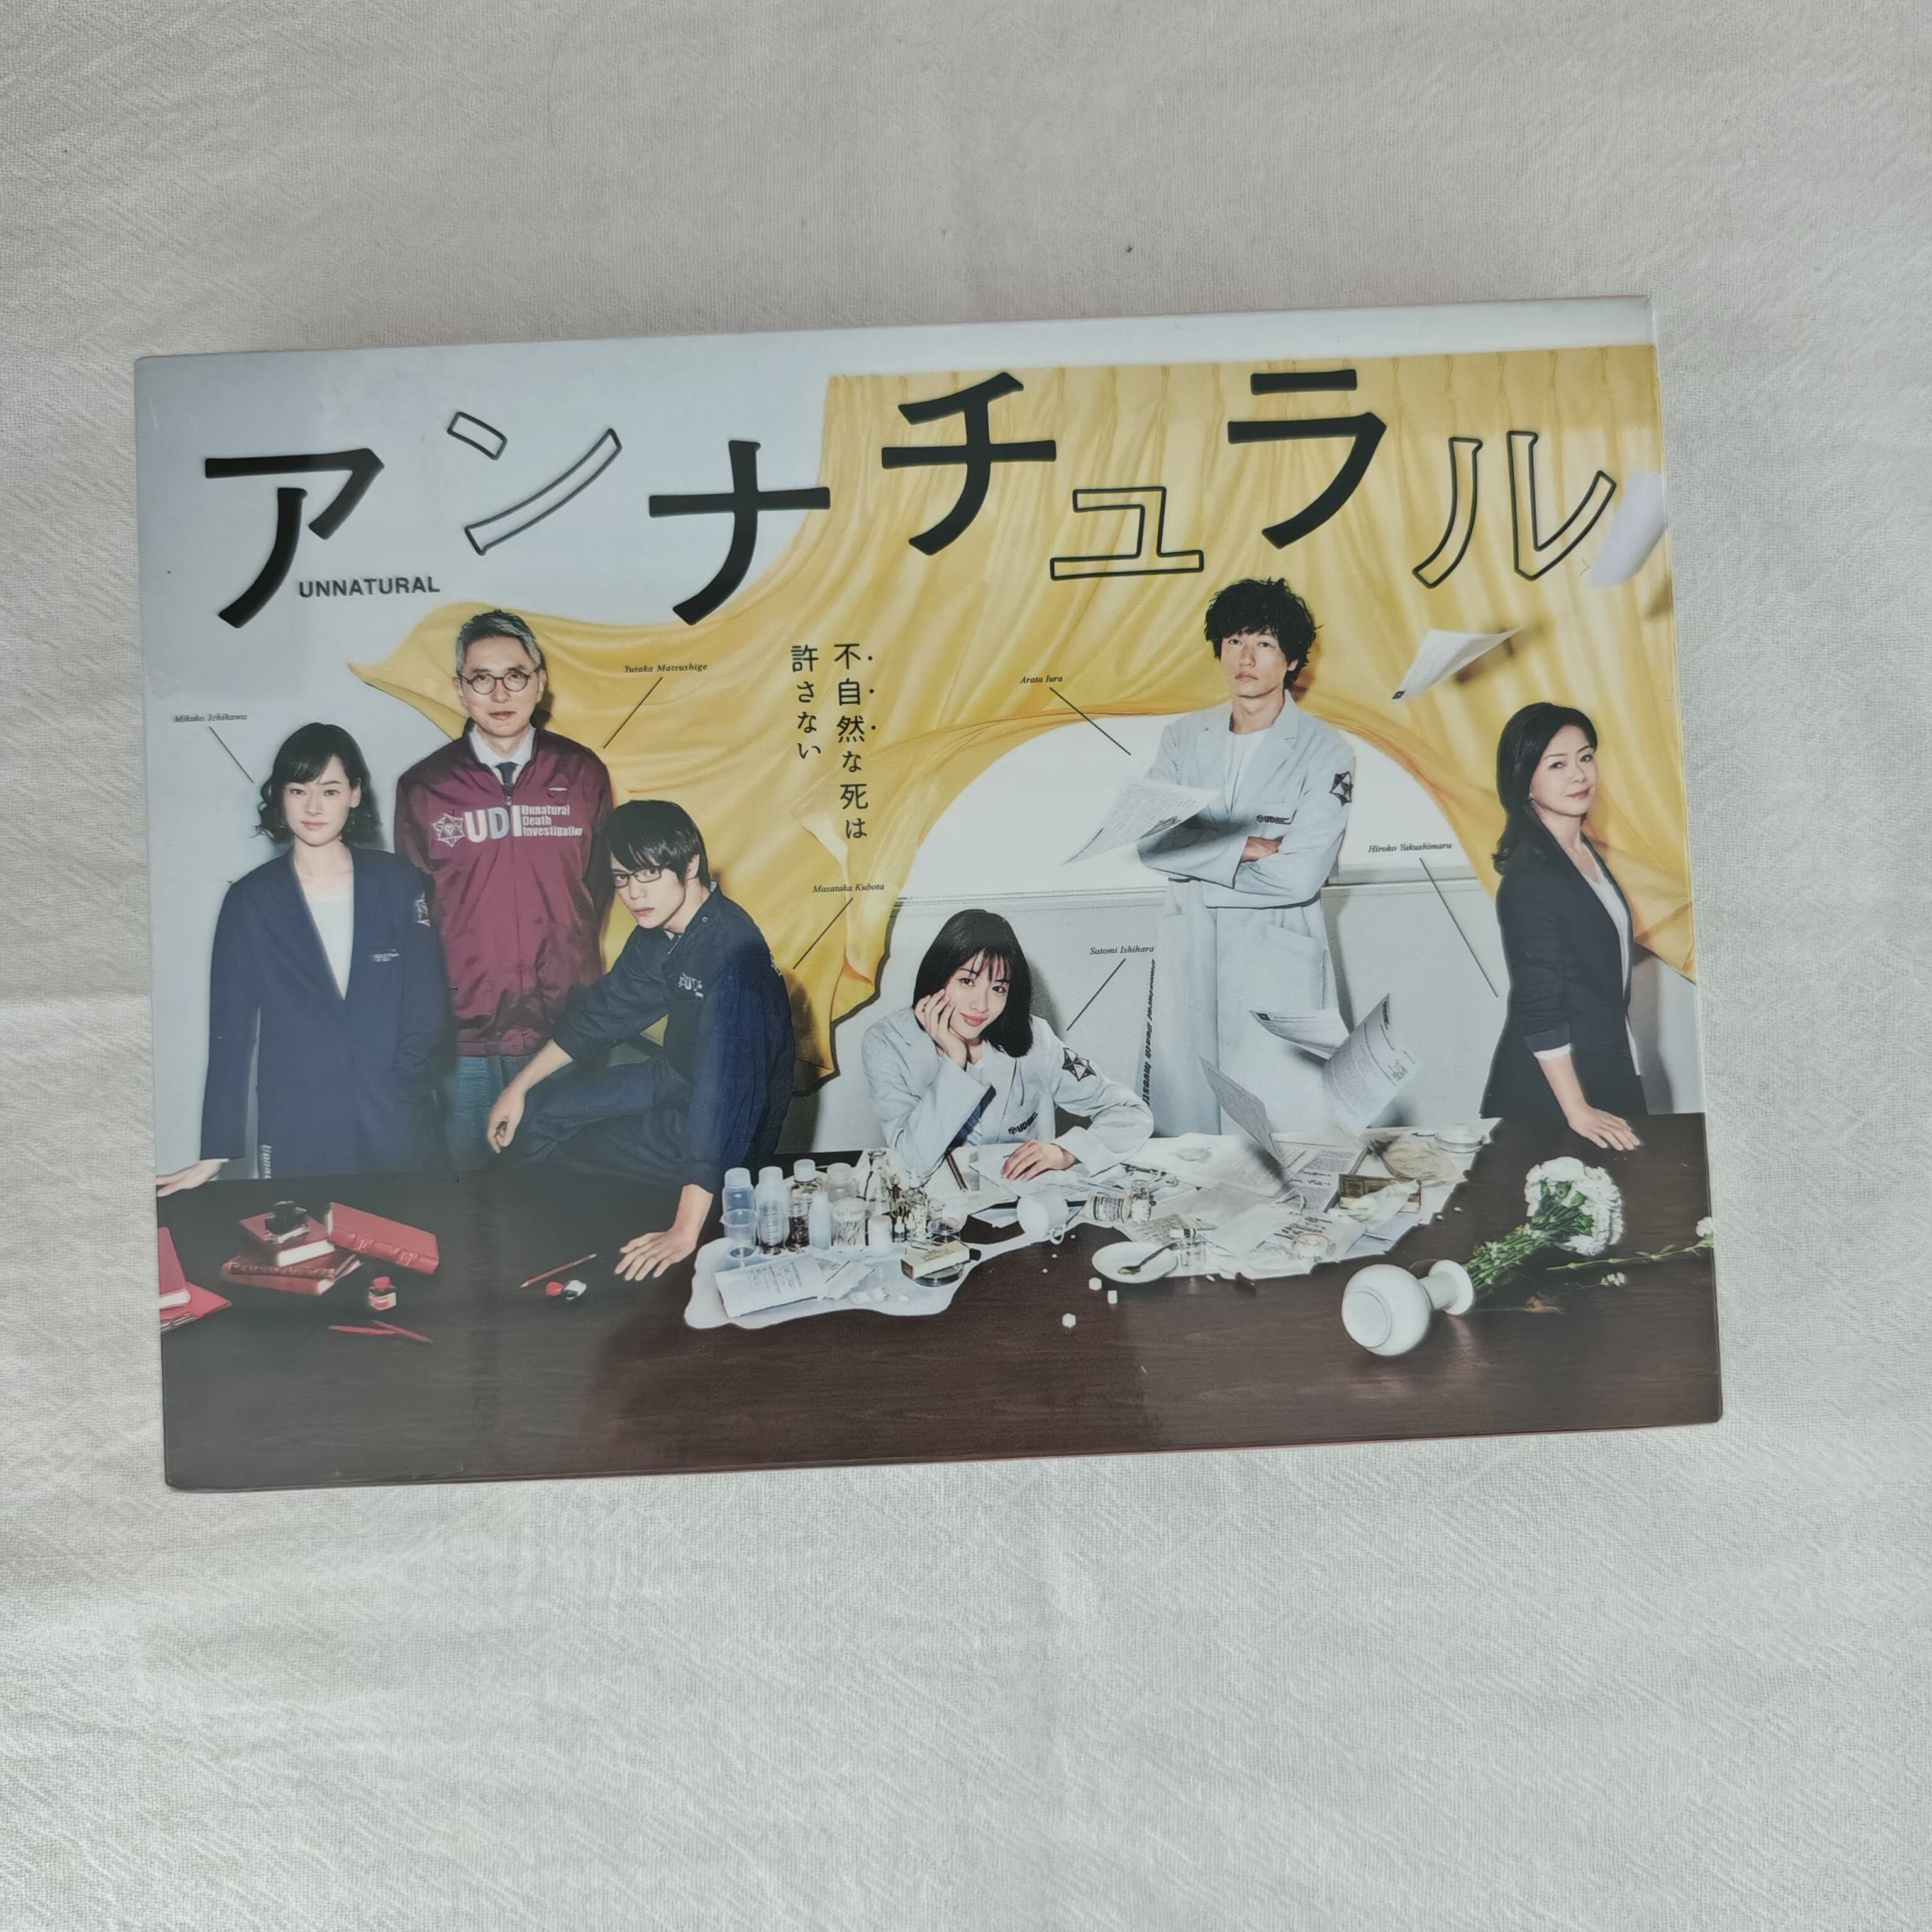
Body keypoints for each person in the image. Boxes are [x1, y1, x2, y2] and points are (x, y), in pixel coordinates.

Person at [486, 801, 794, 1279]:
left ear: (690, 865)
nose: (634, 893)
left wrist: (683, 1232)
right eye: (622, 877)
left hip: (724, 1125)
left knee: (575, 1147)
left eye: (649, 873)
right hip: (675, 1078)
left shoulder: (736, 959)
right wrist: (518, 1087)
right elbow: (603, 1013)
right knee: (538, 1113)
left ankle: (562, 1249)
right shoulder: (665, 928)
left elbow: (722, 1099)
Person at [156, 723, 447, 1192]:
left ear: (354, 794)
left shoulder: (398, 882)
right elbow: (231, 1033)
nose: (314, 807)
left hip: (396, 1123)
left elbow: (427, 1009)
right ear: (281, 796)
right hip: (298, 1126)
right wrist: (216, 1150)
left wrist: (403, 1092)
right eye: (298, 790)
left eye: (329, 790)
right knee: (303, 1237)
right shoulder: (250, 899)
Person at [393, 608, 614, 1170]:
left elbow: (596, 890)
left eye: (515, 675)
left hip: (566, 1031)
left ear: (540, 682)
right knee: (476, 1201)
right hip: (466, 1039)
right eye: (481, 678)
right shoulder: (425, 787)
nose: (499, 693)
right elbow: (415, 913)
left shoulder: (583, 773)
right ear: (460, 690)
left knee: (569, 1195)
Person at [1137, 577, 1355, 1137]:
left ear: (1292, 660)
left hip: (1273, 950)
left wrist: (1198, 861)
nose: (1246, 657)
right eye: (1234, 641)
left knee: (1278, 1124)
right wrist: (1245, 848)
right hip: (1192, 942)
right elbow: (1150, 843)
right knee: (1188, 1120)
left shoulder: (1326, 751)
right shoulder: (1183, 739)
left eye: (1264, 643)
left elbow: (1300, 877)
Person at [862, 909, 1152, 1184]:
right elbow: (913, 1163)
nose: (981, 1005)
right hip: (934, 1203)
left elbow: (1130, 1112)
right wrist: (955, 1059)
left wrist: (1068, 1151)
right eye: (967, 981)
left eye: (998, 988)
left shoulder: (1035, 1037)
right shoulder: (887, 1042)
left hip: (1023, 1200)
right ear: (938, 976)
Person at [1480, 703, 1646, 1150]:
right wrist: (1578, 1110)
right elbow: (1539, 1008)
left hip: (1604, 1067)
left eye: (1585, 757)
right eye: (1557, 764)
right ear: (1525, 781)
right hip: (1555, 1099)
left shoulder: (1581, 850)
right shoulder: (1530, 880)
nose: (1579, 774)